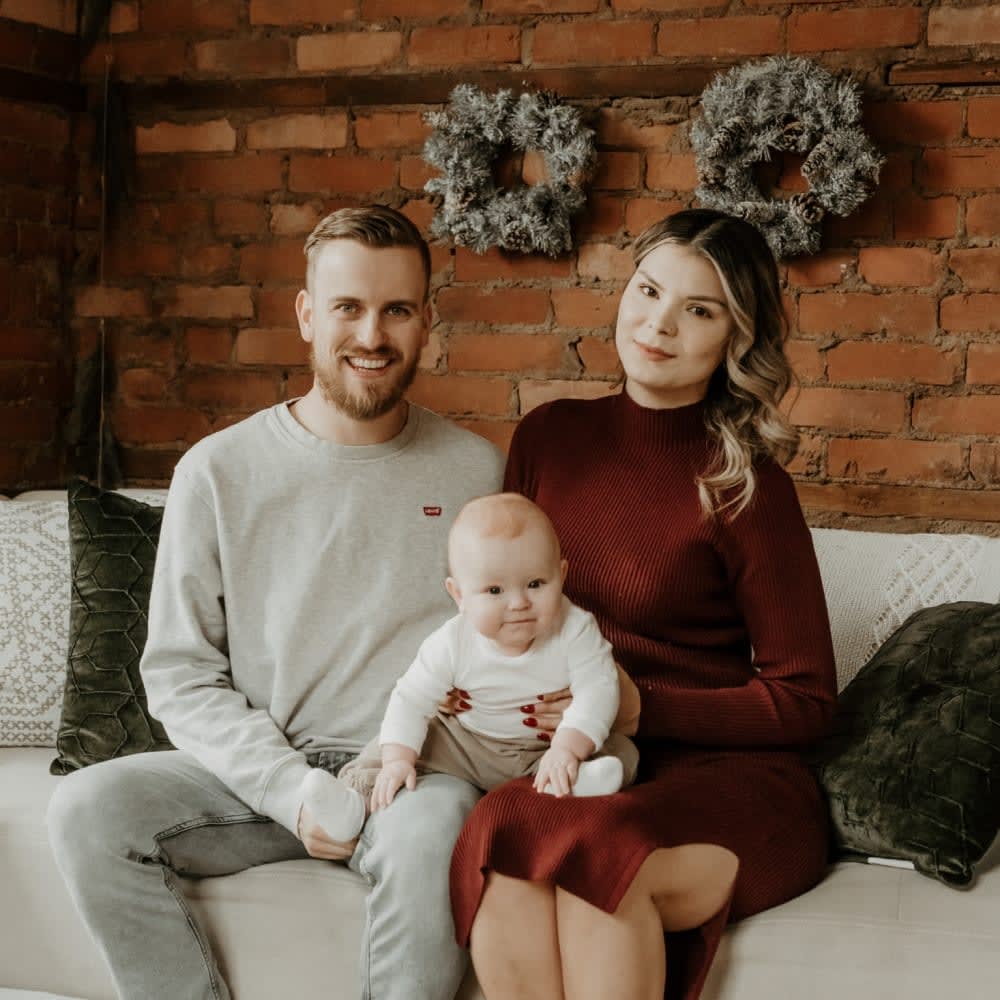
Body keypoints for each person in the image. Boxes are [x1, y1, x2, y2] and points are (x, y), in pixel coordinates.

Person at [46, 205, 505, 1000]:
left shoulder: (476, 472)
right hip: (253, 774)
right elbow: (183, 675)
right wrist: (291, 792)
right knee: (86, 809)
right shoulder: (217, 470)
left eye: (396, 309)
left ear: (427, 321)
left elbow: (504, 646)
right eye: (348, 308)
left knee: (434, 839)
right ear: (305, 315)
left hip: (409, 776)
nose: (372, 334)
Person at [450, 208, 839, 1000]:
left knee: (601, 846)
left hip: (724, 777)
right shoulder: (550, 436)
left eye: (698, 310)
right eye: (649, 290)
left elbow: (806, 701)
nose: (658, 324)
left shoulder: (747, 484)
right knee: (503, 823)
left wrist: (639, 706)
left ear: (736, 337)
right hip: (583, 763)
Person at [302, 492, 639, 841]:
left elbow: (597, 689)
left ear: (562, 575)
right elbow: (411, 699)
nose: (518, 603)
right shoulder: (451, 642)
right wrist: (399, 760)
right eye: (494, 590)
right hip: (465, 744)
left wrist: (567, 749)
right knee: (389, 743)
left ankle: (575, 781)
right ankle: (353, 803)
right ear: (459, 595)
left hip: (544, 748)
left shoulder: (576, 629)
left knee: (622, 751)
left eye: (536, 584)